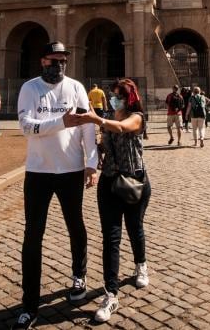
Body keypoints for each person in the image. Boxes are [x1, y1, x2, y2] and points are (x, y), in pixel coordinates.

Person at [12, 42, 98, 330]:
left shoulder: (76, 87)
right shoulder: (30, 88)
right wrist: (61, 122)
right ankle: (29, 304)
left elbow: (87, 126)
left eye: (63, 61)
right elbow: (26, 126)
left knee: (76, 225)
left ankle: (79, 276)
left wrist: (92, 163)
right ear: (42, 61)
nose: (59, 65)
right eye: (54, 60)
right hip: (38, 171)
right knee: (32, 234)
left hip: (71, 169)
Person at [65, 78, 151, 324]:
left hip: (134, 182)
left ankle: (141, 265)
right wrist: (96, 151)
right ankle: (111, 293)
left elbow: (123, 128)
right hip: (110, 183)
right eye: (112, 95)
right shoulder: (110, 118)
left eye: (118, 96)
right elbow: (106, 142)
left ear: (129, 98)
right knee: (110, 238)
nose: (114, 100)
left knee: (135, 229)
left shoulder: (137, 117)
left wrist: (98, 120)